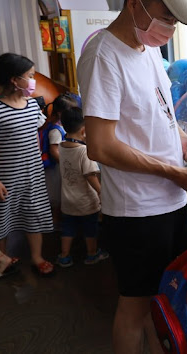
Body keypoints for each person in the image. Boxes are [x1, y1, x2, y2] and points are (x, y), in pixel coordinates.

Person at [76, 0, 187, 354]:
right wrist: (173, 171)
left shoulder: (148, 48)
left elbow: (155, 116)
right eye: (166, 18)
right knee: (134, 307)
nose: (169, 29)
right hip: (137, 212)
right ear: (135, 4)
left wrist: (182, 140)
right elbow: (101, 145)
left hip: (170, 203)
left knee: (163, 301)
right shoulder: (104, 55)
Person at [0, 53, 54, 281]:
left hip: (31, 176)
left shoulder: (32, 105)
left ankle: (36, 258)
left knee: (34, 217)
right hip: (3, 179)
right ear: (14, 80)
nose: (33, 81)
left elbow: (34, 136)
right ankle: (3, 257)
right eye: (30, 76)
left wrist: (37, 164)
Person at [55, 106, 109, 268]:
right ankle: (92, 254)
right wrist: (101, 192)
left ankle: (64, 256)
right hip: (86, 202)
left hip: (67, 200)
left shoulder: (62, 146)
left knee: (68, 228)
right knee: (90, 229)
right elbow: (90, 175)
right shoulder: (84, 152)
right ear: (84, 130)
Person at [41, 93, 77, 224]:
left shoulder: (58, 126)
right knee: (56, 196)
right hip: (55, 168)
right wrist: (65, 164)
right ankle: (55, 222)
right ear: (61, 112)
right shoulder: (56, 130)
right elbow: (54, 150)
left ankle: (56, 221)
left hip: (58, 167)